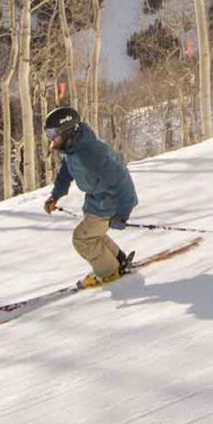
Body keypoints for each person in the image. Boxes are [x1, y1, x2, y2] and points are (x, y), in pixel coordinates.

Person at [41, 105, 138, 287]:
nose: (50, 138)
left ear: (67, 130)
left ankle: (109, 272)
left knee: (82, 239)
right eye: (48, 133)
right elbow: (65, 172)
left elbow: (122, 181)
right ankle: (118, 259)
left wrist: (123, 214)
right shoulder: (73, 151)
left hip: (110, 202)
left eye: (53, 133)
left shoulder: (90, 154)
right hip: (96, 201)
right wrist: (55, 196)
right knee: (93, 235)